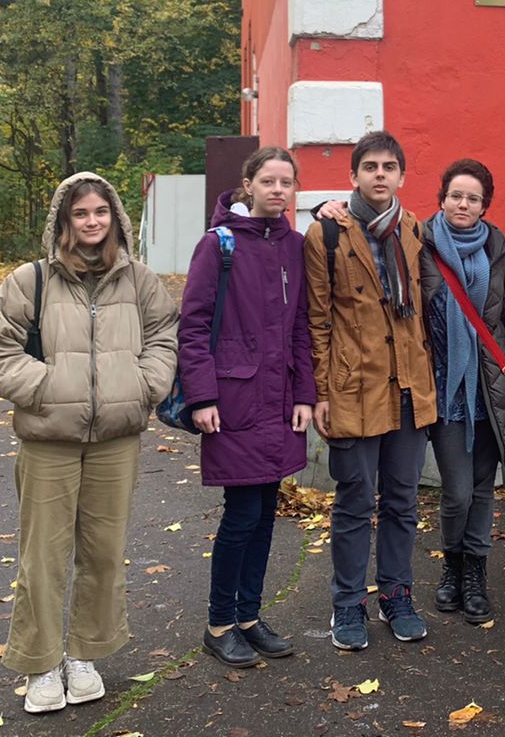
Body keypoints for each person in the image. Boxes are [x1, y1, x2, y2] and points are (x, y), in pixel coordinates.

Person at [0, 173, 178, 714]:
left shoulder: (139, 281)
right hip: (49, 440)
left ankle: (85, 655)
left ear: (116, 218)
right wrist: (48, 387)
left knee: (104, 553)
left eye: (100, 212)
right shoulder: (31, 280)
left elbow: (165, 336)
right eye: (81, 213)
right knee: (42, 556)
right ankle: (41, 663)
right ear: (63, 220)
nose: (92, 222)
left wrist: (144, 385)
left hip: (116, 440)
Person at [178, 146, 315, 667]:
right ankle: (220, 624)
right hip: (234, 400)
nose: (278, 190)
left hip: (279, 402)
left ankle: (250, 618)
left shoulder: (294, 246)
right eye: (269, 181)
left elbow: (301, 326)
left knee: (264, 515)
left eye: (287, 182)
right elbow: (193, 326)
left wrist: (305, 395)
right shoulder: (218, 244)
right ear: (249, 184)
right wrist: (202, 396)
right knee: (242, 514)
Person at [305, 130, 435, 651]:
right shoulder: (327, 233)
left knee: (403, 500)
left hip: (409, 385)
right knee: (356, 502)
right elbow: (317, 320)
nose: (380, 175)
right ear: (354, 175)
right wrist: (320, 391)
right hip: (353, 386)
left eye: (389, 167)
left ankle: (397, 595)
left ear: (401, 176)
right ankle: (348, 603)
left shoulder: (412, 228)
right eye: (371, 167)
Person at [418, 159, 505, 624]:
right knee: (457, 492)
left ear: (484, 206)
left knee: (482, 488)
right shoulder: (418, 242)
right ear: (442, 198)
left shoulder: (497, 248)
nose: (463, 204)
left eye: (473, 198)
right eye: (456, 195)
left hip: (489, 387)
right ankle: (452, 565)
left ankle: (474, 573)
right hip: (443, 387)